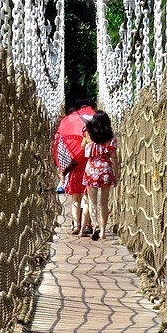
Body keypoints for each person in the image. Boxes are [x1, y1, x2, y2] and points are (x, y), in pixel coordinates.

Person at [54, 96, 97, 236]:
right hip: (88, 172)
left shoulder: (72, 138)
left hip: (74, 172)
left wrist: (63, 171)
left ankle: (75, 224)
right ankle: (87, 224)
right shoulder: (94, 136)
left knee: (75, 201)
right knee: (87, 200)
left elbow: (67, 156)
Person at [81, 110, 117, 241]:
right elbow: (114, 158)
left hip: (91, 170)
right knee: (104, 203)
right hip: (106, 170)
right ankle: (103, 231)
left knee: (92, 202)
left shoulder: (90, 135)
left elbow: (84, 151)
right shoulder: (111, 139)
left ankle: (95, 224)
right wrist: (116, 175)